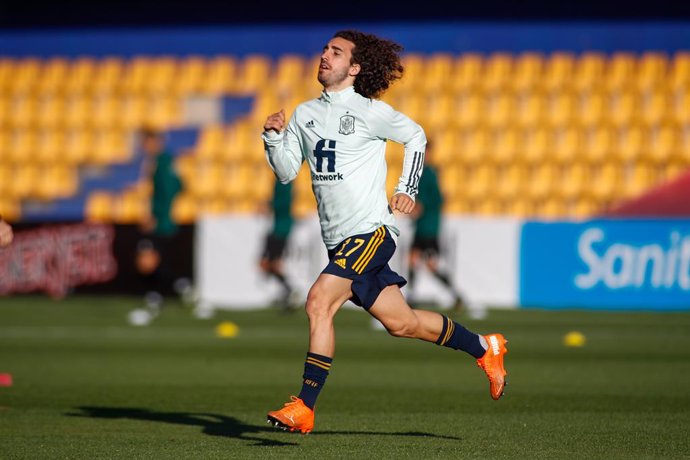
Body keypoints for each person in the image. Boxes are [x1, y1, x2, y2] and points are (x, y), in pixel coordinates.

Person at [262, 30, 508, 434]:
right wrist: (272, 137)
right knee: (403, 323)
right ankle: (485, 347)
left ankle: (304, 407)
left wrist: (406, 187)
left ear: (354, 68)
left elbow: (416, 136)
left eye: (336, 52)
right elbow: (287, 171)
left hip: (371, 233)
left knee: (318, 302)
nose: (325, 55)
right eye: (325, 49)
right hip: (339, 242)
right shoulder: (304, 114)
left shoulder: (368, 110)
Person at [407, 140, 465, 310]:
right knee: (412, 259)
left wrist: (420, 206)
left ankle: (456, 295)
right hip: (421, 226)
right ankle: (411, 296)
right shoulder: (421, 172)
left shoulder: (430, 173)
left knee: (431, 265)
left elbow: (439, 199)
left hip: (429, 227)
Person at [137, 128, 183, 304]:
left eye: (146, 142)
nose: (144, 146)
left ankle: (179, 287)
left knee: (150, 260)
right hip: (161, 219)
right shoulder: (159, 161)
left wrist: (155, 215)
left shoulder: (163, 161)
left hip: (161, 221)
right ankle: (161, 293)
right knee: (156, 261)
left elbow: (168, 190)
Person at [259, 179, 296, 310]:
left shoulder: (284, 182)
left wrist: (269, 204)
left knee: (271, 264)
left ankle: (289, 291)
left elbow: (284, 204)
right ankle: (287, 291)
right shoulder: (282, 181)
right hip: (278, 228)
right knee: (269, 264)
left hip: (281, 230)